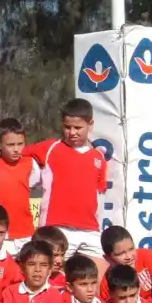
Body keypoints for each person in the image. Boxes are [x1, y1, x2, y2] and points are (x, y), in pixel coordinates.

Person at [24, 99, 109, 278]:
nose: (72, 132)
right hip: (57, 230)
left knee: (95, 282)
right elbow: (15, 150)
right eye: (67, 127)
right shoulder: (49, 148)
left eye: (78, 128)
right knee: (54, 282)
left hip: (90, 230)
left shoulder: (98, 157)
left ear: (90, 125)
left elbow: (98, 195)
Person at [0, 118, 41, 255]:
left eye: (20, 144)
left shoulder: (30, 164)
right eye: (10, 144)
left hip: (25, 233)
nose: (16, 149)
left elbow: (33, 183)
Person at [98, 225, 152, 300]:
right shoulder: (107, 283)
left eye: (131, 249)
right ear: (107, 258)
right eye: (120, 253)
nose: (129, 257)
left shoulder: (145, 255)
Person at [31, 226, 69, 291]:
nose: (59, 261)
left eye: (62, 255)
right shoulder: (27, 279)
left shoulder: (65, 280)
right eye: (55, 255)